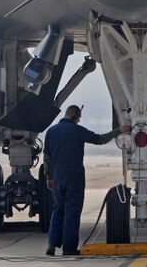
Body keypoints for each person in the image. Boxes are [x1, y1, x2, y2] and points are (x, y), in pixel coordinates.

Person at [43, 104, 130, 256]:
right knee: (72, 212)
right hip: (74, 176)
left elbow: (47, 158)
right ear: (74, 115)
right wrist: (119, 131)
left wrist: (49, 177)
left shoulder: (51, 131)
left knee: (58, 209)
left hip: (57, 176)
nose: (80, 119)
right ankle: (69, 248)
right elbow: (100, 139)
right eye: (79, 116)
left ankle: (52, 244)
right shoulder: (77, 130)